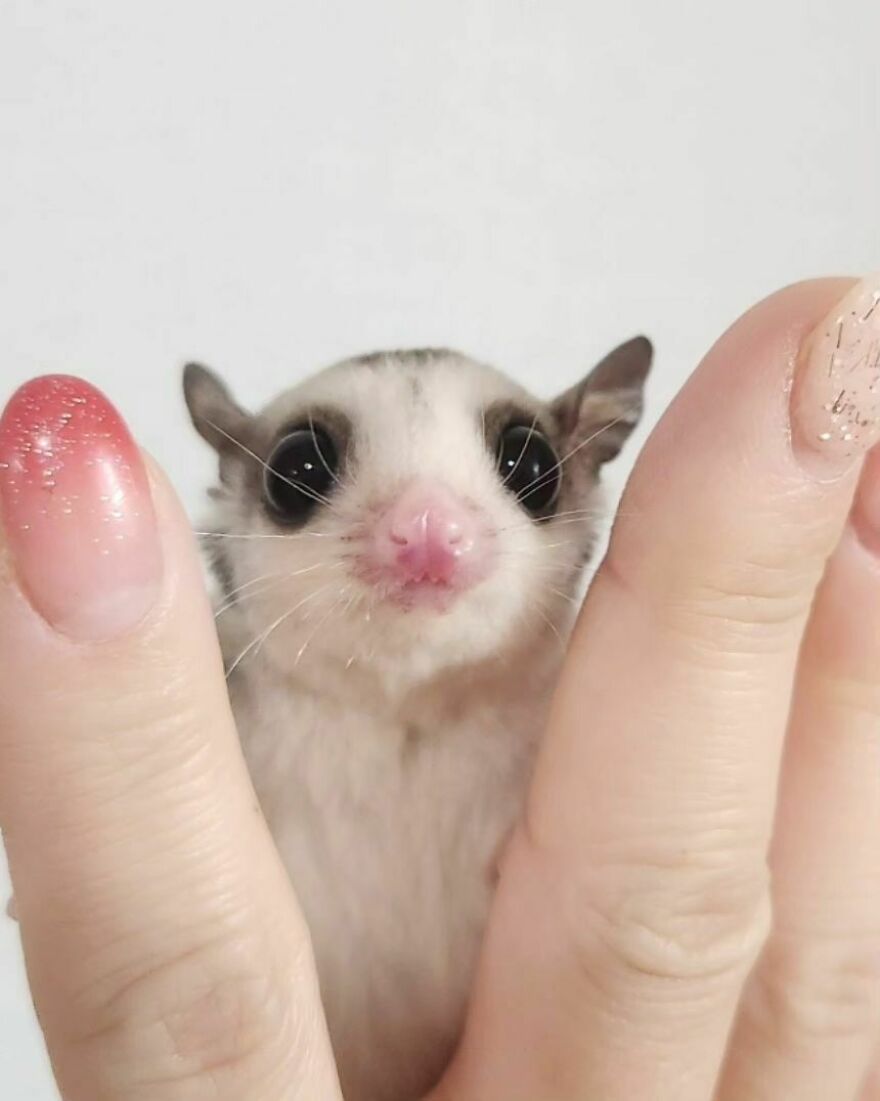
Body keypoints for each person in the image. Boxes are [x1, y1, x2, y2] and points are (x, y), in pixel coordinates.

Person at [1, 276, 879, 1101]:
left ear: (583, 480)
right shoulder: (208, 699)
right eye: (305, 475)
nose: (425, 531)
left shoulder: (606, 718)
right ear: (232, 503)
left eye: (520, 468)